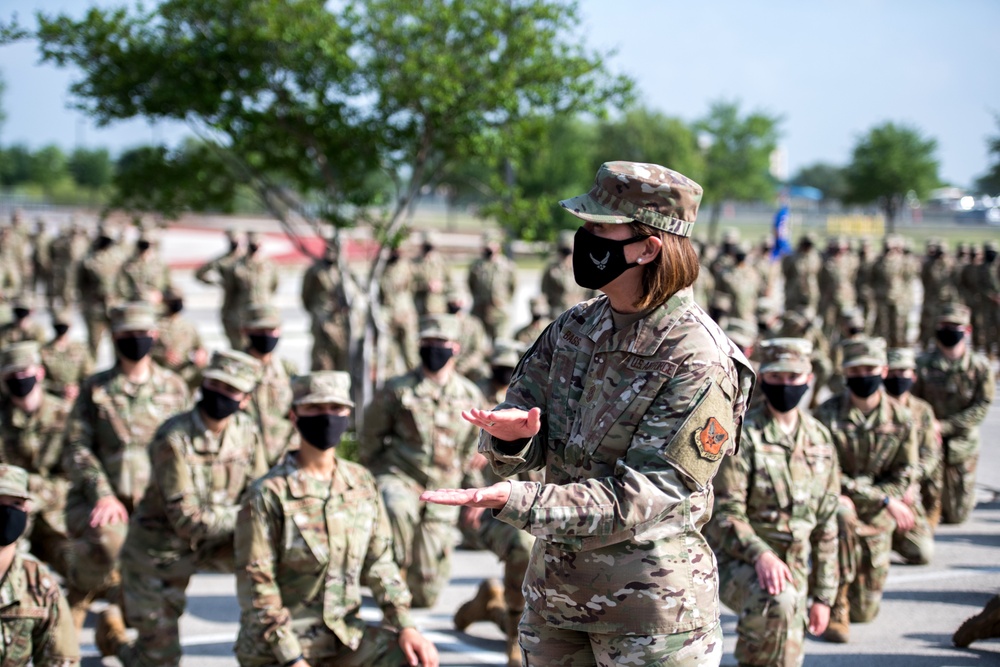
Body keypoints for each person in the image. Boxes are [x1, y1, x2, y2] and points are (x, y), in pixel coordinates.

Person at [422, 161, 755, 666]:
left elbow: (647, 496)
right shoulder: (575, 328)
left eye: (601, 227)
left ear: (648, 246)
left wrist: (520, 500)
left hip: (649, 618)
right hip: (555, 601)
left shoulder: (698, 357)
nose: (585, 237)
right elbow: (518, 436)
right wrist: (512, 440)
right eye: (585, 225)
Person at [235, 371, 439, 667]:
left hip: (343, 639)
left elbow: (380, 561)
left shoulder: (360, 483)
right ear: (294, 416)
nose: (327, 417)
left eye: (336, 409)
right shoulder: (268, 494)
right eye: (314, 409)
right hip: (277, 648)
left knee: (415, 659)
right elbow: (257, 586)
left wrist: (407, 625)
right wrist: (291, 657)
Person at [99, 350, 267, 666]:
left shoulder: (248, 432)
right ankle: (115, 637)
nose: (221, 394)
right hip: (159, 554)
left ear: (244, 399)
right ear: (203, 384)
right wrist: (245, 514)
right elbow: (187, 519)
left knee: (277, 551)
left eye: (231, 390)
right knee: (161, 660)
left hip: (217, 544)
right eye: (216, 384)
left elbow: (261, 496)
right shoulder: (173, 438)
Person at [707, 338, 839, 667]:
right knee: (777, 603)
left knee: (788, 655)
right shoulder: (744, 436)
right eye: (776, 378)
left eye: (793, 378)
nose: (785, 385)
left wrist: (823, 596)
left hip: (794, 565)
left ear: (808, 380)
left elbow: (826, 524)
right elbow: (725, 513)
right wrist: (761, 554)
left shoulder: (820, 439)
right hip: (741, 560)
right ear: (763, 379)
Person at [62, 302, 191, 632]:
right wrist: (102, 494)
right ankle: (80, 591)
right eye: (126, 335)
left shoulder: (174, 388)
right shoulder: (95, 388)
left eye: (141, 334)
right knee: (109, 541)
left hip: (157, 501)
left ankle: (118, 617)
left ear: (154, 336)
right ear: (114, 338)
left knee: (165, 567)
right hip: (105, 498)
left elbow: (188, 450)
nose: (135, 340)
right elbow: (77, 447)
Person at [359, 314, 485, 609]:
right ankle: (386, 571)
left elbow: (470, 452)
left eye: (439, 342)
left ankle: (478, 604)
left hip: (443, 489)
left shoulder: (468, 394)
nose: (432, 348)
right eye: (426, 342)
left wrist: (474, 494)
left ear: (455, 347)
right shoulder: (398, 389)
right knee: (396, 506)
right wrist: (374, 479)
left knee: (425, 597)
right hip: (401, 477)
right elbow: (370, 438)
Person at [814, 337, 917, 643]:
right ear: (845, 373)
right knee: (842, 513)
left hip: (880, 507)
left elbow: (904, 474)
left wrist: (885, 498)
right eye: (855, 370)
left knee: (867, 613)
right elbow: (825, 474)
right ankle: (836, 601)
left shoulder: (901, 418)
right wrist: (882, 498)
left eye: (869, 368)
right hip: (842, 501)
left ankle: (839, 588)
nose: (862, 376)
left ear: (884, 370)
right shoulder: (827, 414)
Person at [457, 340, 535, 666]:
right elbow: (459, 460)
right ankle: (515, 638)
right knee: (522, 545)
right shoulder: (475, 404)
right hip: (490, 510)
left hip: (544, 505)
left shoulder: (538, 403)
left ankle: (492, 605)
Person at [912, 302, 994, 525]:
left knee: (956, 516)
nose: (948, 329)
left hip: (962, 441)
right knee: (929, 508)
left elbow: (982, 406)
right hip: (929, 438)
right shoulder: (922, 365)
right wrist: (929, 427)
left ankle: (963, 493)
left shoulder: (979, 367)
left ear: (967, 330)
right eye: (944, 325)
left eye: (955, 325)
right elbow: (912, 403)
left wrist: (946, 426)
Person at [0, 343, 73, 575]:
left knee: (89, 558)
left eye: (24, 372)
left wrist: (35, 495)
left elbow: (73, 478)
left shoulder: (65, 416)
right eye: (12, 375)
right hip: (8, 512)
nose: (19, 379)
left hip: (57, 514)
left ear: (39, 372)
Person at [0, 464, 79, 666]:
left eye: (15, 503)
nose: (6, 513)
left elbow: (61, 660)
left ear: (27, 510)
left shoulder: (39, 584)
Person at [885, 347, 941, 547]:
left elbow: (931, 455)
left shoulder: (922, 410)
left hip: (909, 480)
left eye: (902, 372)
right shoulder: (876, 408)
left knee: (922, 551)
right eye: (892, 372)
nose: (897, 377)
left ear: (913, 376)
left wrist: (910, 481)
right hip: (881, 485)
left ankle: (929, 510)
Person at [242, 304, 298, 466]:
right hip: (245, 458)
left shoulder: (288, 370)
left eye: (271, 330)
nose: (266, 335)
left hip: (282, 457)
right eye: (260, 330)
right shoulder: (235, 369)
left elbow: (298, 416)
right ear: (246, 331)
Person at [194, 228, 245, 348]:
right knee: (234, 341)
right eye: (232, 240)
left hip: (245, 305)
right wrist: (216, 283)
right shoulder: (223, 261)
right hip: (230, 305)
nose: (235, 243)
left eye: (237, 240)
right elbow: (200, 273)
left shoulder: (247, 260)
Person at [467, 231, 517, 342]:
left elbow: (513, 287)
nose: (488, 248)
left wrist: (503, 302)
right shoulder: (476, 265)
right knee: (477, 342)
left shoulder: (507, 266)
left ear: (498, 246)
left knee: (501, 343)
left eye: (491, 244)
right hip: (480, 310)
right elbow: (471, 284)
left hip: (500, 311)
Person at [39, 308, 94, 402]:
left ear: (70, 326)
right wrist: (59, 389)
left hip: (77, 399)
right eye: (58, 325)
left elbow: (89, 375)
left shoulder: (80, 349)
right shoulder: (44, 351)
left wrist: (76, 388)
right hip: (52, 400)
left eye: (63, 325)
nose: (61, 329)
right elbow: (39, 380)